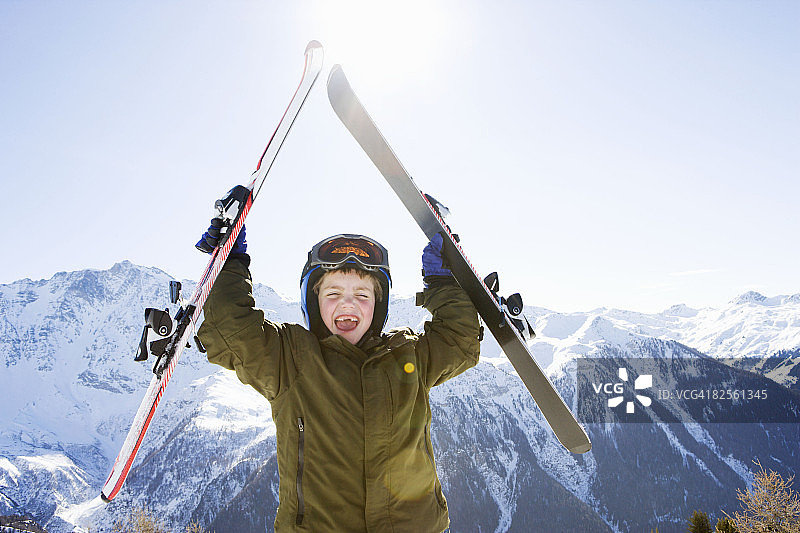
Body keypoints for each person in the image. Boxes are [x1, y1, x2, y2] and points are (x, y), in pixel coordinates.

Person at [195, 211, 480, 532]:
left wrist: (442, 282)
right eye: (333, 294)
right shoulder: (288, 359)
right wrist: (230, 263)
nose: (348, 304)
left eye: (362, 294)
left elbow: (459, 340)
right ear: (313, 302)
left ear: (378, 305)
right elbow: (230, 330)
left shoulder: (407, 355)